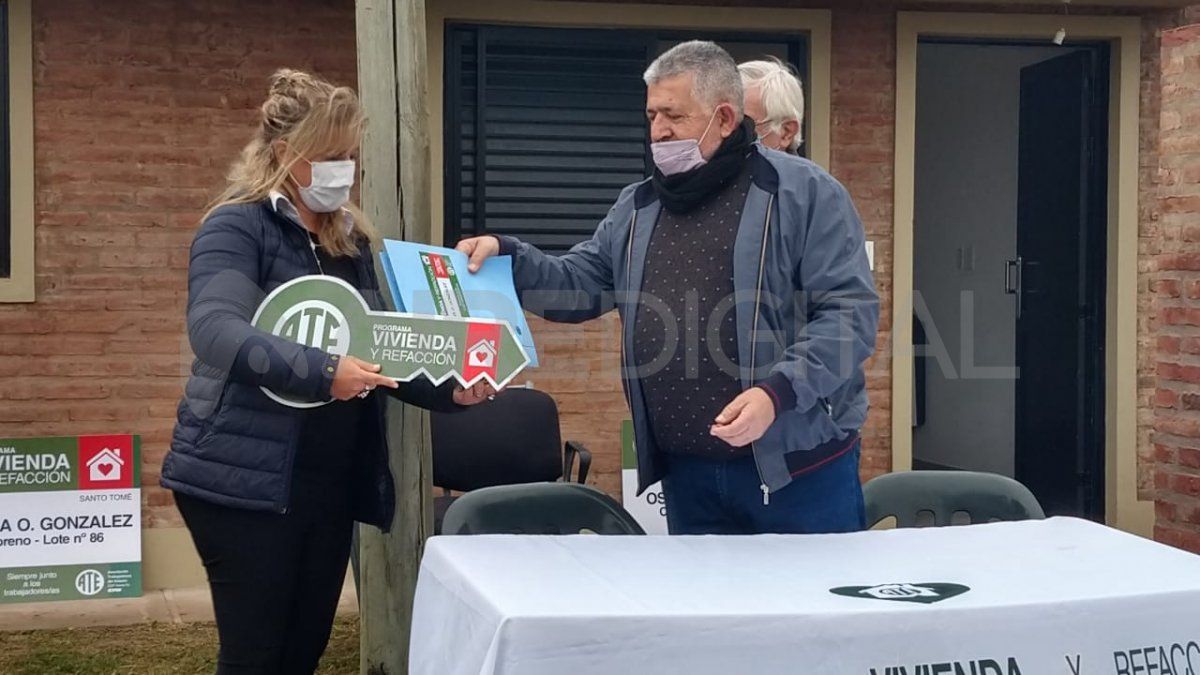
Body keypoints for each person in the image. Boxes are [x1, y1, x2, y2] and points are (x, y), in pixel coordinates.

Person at [457, 41, 879, 535]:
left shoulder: (806, 193)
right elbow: (580, 284)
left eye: (674, 116)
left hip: (797, 471)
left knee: (809, 611)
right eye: (652, 115)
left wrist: (776, 393)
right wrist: (508, 256)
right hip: (688, 474)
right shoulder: (638, 206)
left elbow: (850, 316)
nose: (658, 131)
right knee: (702, 613)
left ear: (724, 118)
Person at [161, 69, 493, 675]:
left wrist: (450, 388)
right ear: (288, 156)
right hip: (241, 484)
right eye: (332, 156)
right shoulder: (237, 227)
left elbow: (382, 349)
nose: (347, 169)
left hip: (326, 482)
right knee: (257, 656)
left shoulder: (349, 241)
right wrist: (322, 371)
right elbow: (216, 330)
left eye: (351, 156)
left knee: (303, 651)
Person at [739, 57, 804, 153]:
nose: (724, 133)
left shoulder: (807, 168)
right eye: (719, 122)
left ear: (786, 132)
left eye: (742, 126)